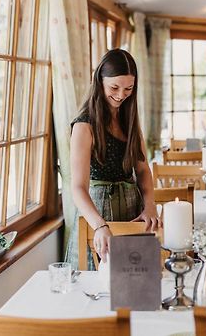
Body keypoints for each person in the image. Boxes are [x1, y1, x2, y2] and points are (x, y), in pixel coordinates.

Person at [65, 48, 160, 269]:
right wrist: (100, 226)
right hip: (98, 214)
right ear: (99, 81)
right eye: (114, 87)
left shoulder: (129, 119)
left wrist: (150, 206)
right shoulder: (84, 125)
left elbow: (143, 170)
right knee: (97, 286)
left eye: (128, 89)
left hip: (132, 212)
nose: (120, 95)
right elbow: (78, 187)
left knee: (135, 285)